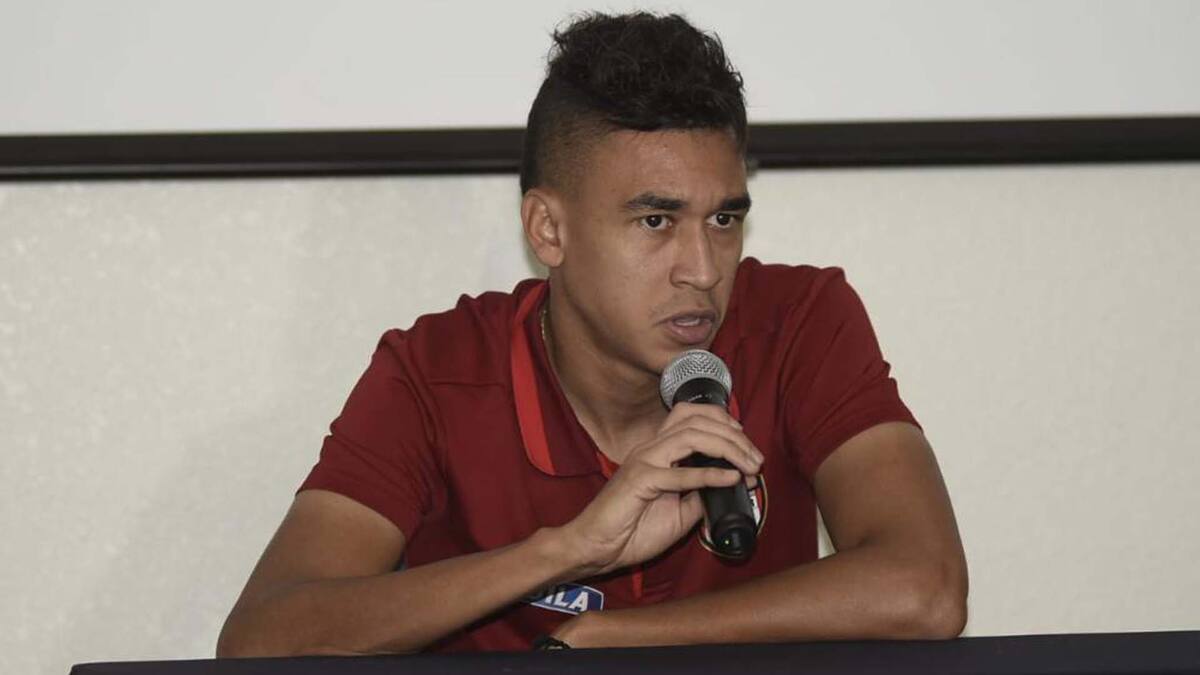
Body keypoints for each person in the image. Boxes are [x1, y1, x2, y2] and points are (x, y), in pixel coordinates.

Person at [216, 11, 967, 656]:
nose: (703, 269)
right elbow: (262, 638)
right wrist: (568, 549)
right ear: (549, 229)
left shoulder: (798, 320)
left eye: (723, 218)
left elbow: (925, 589)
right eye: (656, 220)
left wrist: (616, 639)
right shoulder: (436, 371)